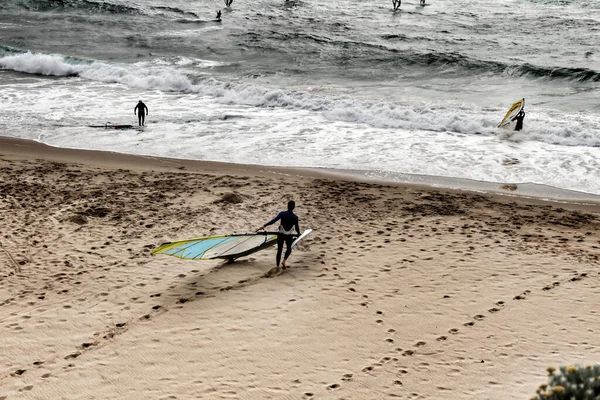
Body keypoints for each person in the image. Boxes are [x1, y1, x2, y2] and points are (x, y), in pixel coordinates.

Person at [259, 200, 301, 268]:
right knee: (289, 249)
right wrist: (299, 234)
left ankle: (277, 266)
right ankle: (284, 261)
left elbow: (274, 220)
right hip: (289, 235)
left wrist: (265, 225)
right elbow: (297, 228)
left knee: (279, 250)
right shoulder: (295, 217)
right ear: (294, 207)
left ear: (287, 206)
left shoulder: (282, 213)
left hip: (281, 234)